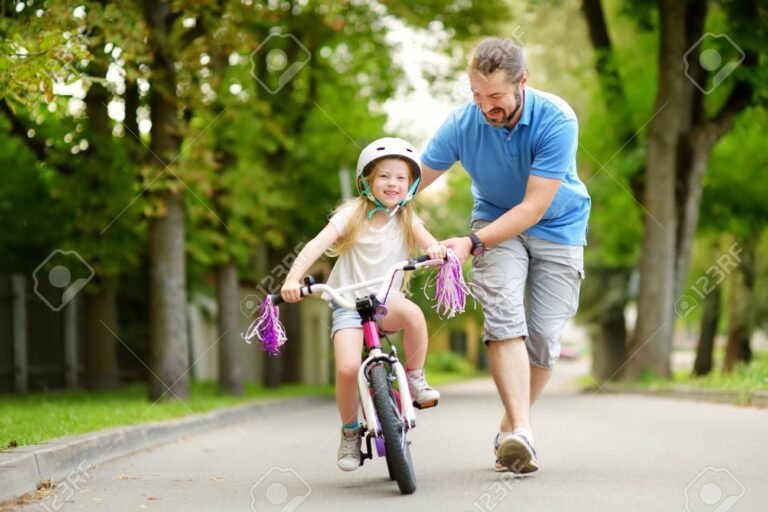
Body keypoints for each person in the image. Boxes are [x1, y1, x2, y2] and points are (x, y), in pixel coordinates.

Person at [419, 37, 591, 474]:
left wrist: (470, 244)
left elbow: (534, 207)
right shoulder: (463, 123)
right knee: (503, 316)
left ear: (523, 83)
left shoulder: (556, 119)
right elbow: (415, 177)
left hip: (558, 225)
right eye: (477, 95)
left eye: (495, 96)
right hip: (495, 225)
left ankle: (512, 428)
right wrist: (373, 199)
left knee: (546, 338)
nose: (485, 107)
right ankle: (522, 434)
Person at [280, 137, 447, 472]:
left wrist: (436, 251)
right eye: (384, 176)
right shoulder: (351, 214)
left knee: (413, 315)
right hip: (348, 304)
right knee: (345, 368)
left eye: (401, 178)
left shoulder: (406, 218)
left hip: (387, 301)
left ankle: (415, 378)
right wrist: (292, 279)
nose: (393, 183)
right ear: (367, 181)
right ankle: (350, 431)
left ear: (411, 184)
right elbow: (316, 245)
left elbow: (430, 244)